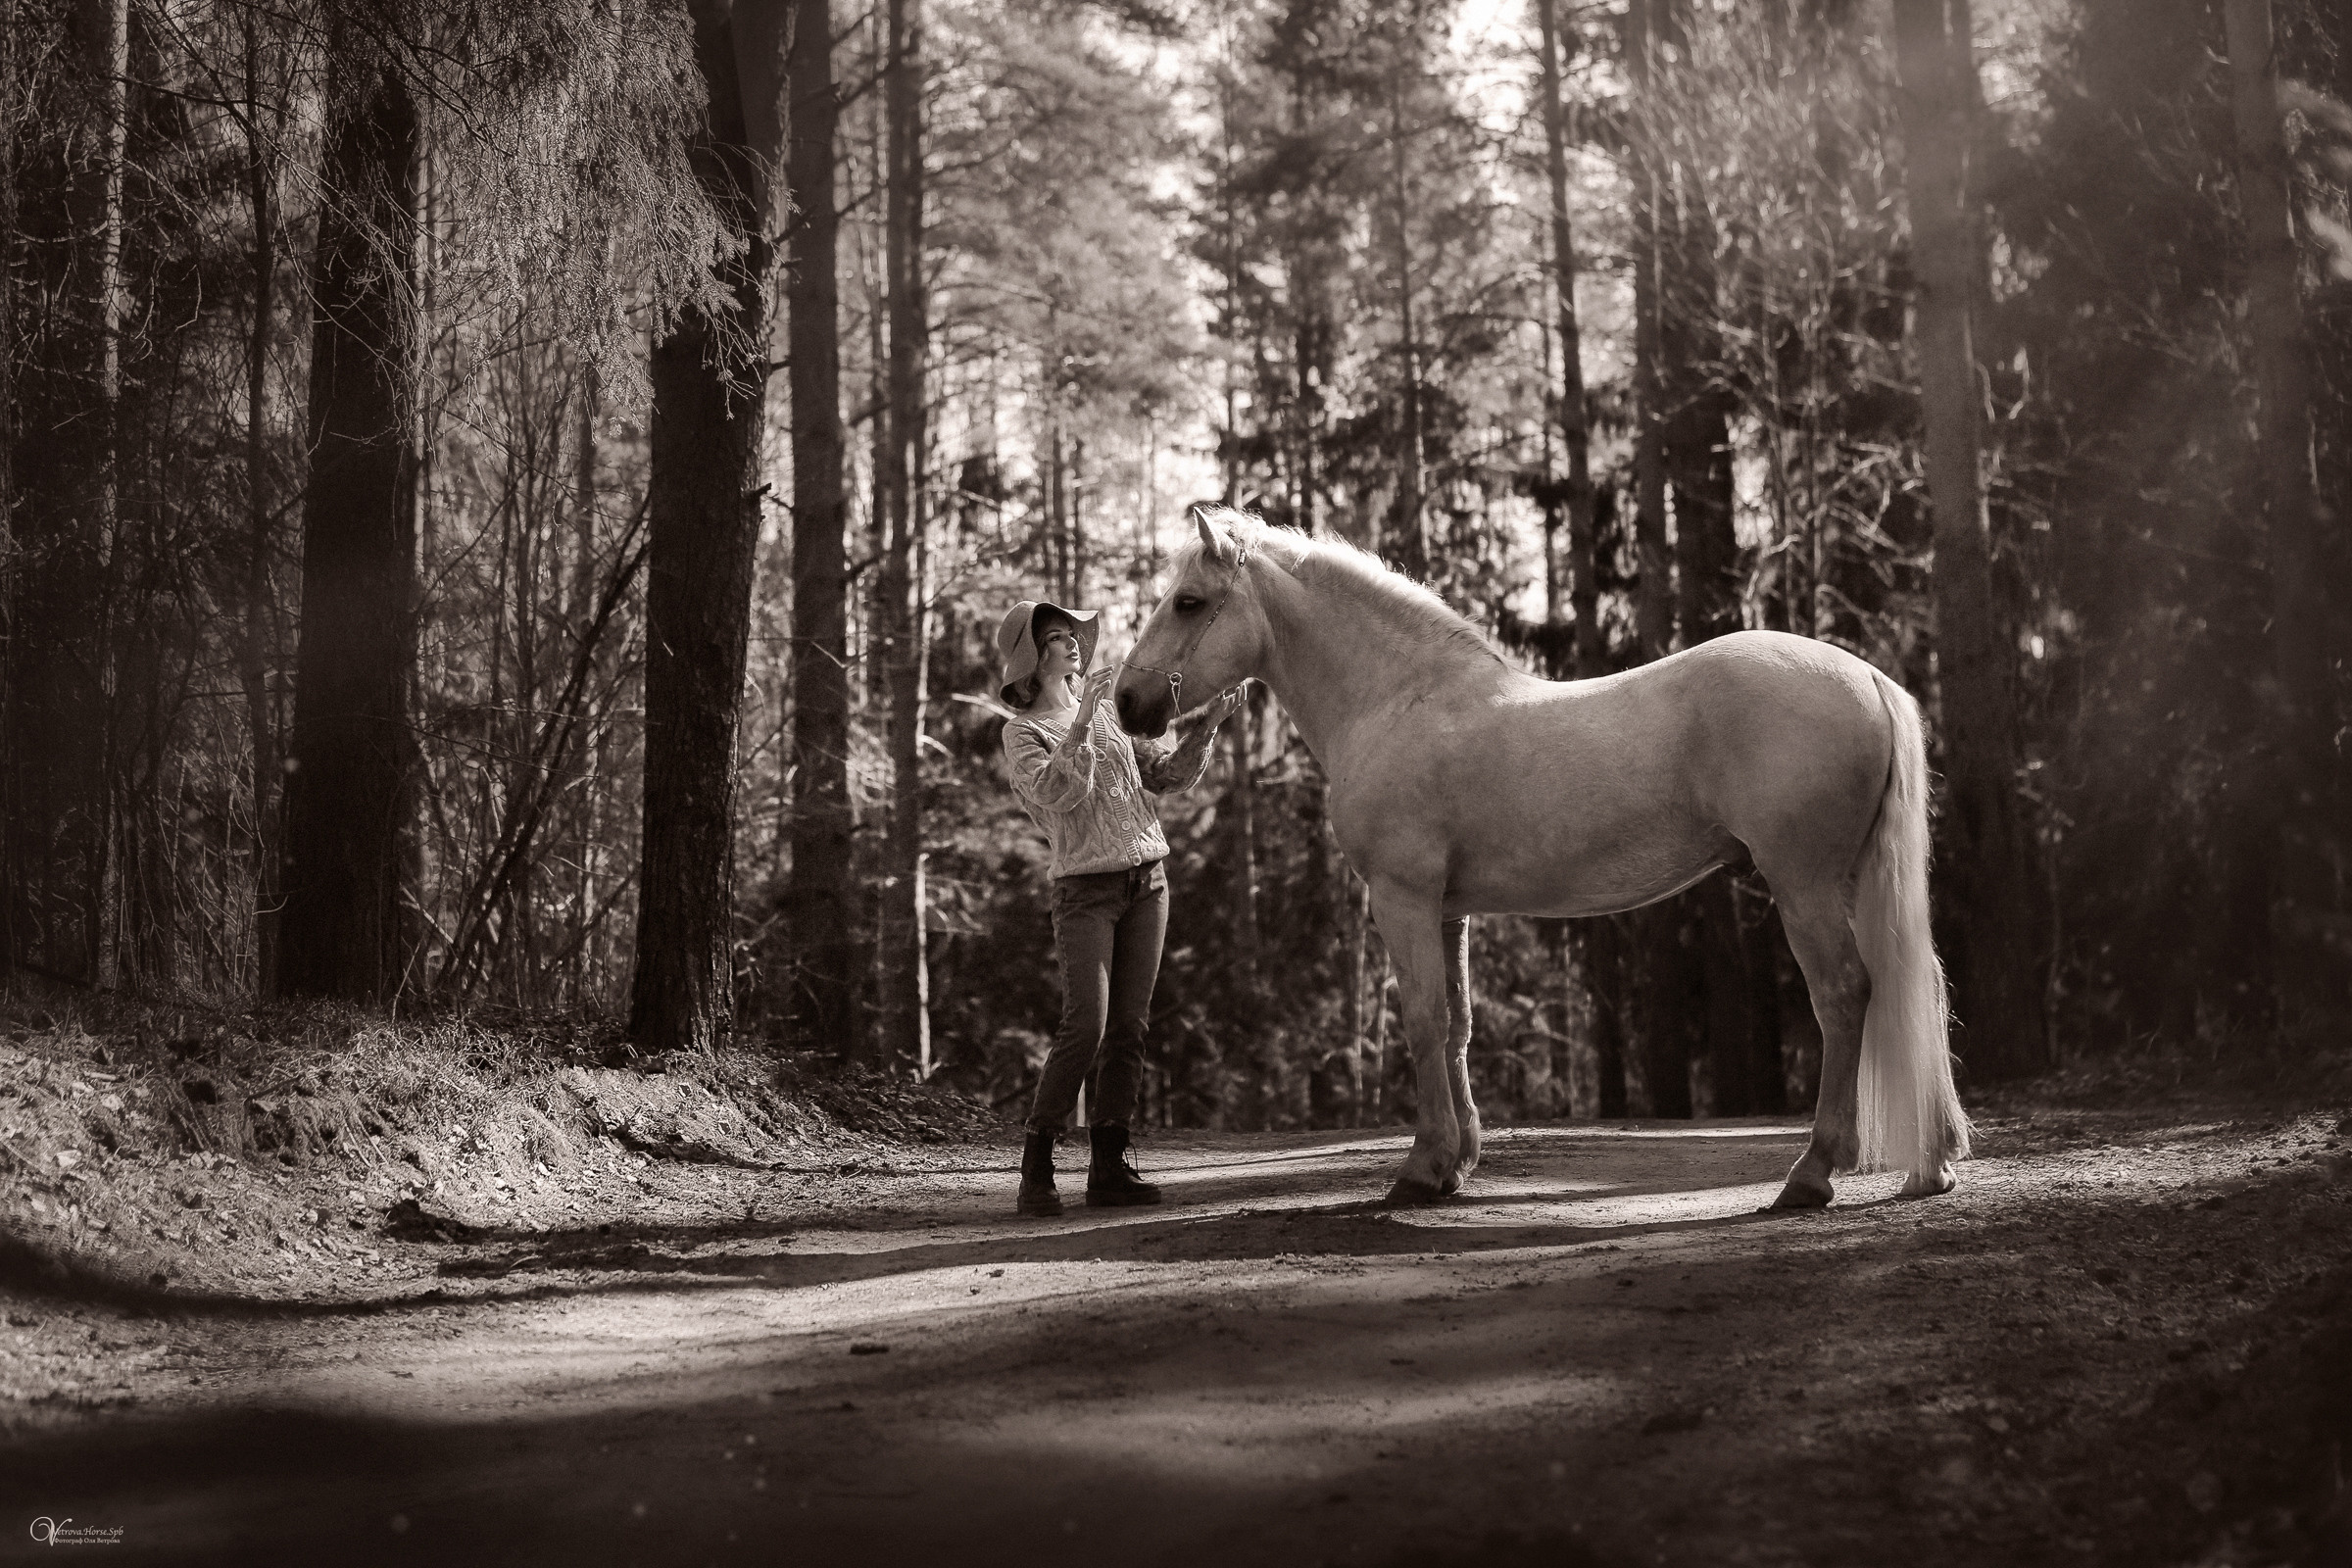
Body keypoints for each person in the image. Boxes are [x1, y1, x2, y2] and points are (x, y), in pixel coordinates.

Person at [996, 597, 1245, 1217]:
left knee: (1130, 1030)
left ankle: (1108, 1165)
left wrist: (1207, 725)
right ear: (1032, 656)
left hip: (1148, 883)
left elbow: (1162, 778)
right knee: (1087, 1026)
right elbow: (1058, 792)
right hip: (1084, 892)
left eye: (1072, 634)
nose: (1072, 643)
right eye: (1057, 637)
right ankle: (1037, 1169)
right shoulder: (1023, 731)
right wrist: (1078, 725)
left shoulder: (1105, 711)